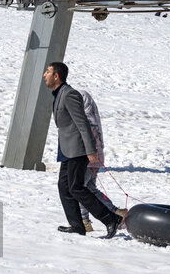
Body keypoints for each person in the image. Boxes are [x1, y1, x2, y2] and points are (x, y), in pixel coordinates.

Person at [43, 62, 123, 238]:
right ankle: (77, 225)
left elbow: (83, 123)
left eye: (47, 72)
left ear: (56, 76)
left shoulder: (69, 94)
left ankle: (111, 219)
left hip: (78, 149)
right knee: (64, 187)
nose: (44, 75)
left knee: (76, 187)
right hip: (66, 148)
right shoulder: (58, 94)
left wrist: (91, 150)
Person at [76, 90, 125, 232]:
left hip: (88, 156)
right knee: (90, 188)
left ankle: (84, 220)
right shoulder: (92, 115)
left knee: (80, 188)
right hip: (96, 156)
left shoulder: (86, 118)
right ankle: (115, 211)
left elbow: (86, 132)